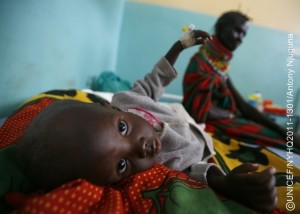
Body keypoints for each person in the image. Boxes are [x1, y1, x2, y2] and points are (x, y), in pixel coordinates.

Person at [13, 29, 277, 212]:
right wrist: (227, 183)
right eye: (121, 165)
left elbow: (155, 80)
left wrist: (180, 46)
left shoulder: (128, 100)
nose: (140, 148)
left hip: (181, 113)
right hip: (204, 141)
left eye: (122, 128)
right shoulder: (153, 167)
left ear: (109, 106)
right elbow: (193, 173)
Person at [182, 11, 300, 151]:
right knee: (281, 143)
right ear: (221, 28)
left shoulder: (219, 65)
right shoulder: (200, 63)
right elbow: (199, 112)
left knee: (281, 137)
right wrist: (232, 114)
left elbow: (242, 105)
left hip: (228, 120)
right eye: (238, 31)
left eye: (244, 34)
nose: (241, 38)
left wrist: (283, 131)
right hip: (212, 125)